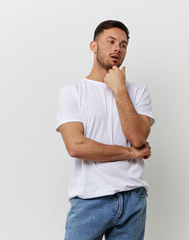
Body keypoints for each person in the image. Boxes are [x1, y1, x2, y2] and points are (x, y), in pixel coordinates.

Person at [56, 20, 155, 240]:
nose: (117, 48)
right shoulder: (73, 92)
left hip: (132, 197)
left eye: (123, 44)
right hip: (90, 199)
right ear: (93, 46)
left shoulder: (137, 92)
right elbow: (76, 146)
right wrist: (130, 153)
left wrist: (119, 89)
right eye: (110, 42)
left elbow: (138, 137)